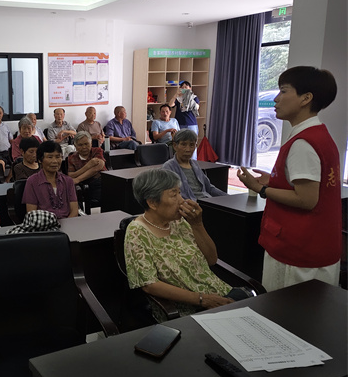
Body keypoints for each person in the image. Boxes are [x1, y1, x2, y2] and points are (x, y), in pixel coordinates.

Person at [237, 66, 341, 292]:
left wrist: (260, 189)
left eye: (283, 91)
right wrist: (275, 180)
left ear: (306, 98)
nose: (276, 99)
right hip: (316, 245)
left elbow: (307, 199)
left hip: (299, 251)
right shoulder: (319, 135)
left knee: (284, 310)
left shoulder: (304, 143)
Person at [125, 168, 252, 322]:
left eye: (180, 193)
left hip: (219, 293)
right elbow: (150, 285)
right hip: (188, 309)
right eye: (174, 195)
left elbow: (212, 259)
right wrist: (203, 299)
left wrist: (197, 224)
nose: (182, 200)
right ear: (152, 203)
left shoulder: (178, 222)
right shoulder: (137, 232)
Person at [162, 129, 226, 201]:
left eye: (191, 145)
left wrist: (227, 197)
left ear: (196, 146)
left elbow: (209, 187)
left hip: (206, 201)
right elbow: (169, 196)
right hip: (188, 204)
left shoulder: (195, 164)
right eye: (183, 144)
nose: (188, 149)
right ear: (175, 146)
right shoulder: (168, 167)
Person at [23, 141, 78, 219]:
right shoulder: (32, 182)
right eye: (50, 157)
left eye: (58, 157)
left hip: (68, 222)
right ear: (40, 160)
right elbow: (32, 213)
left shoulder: (68, 181)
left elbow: (74, 211)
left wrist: (67, 224)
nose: (55, 161)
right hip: (44, 224)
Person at [67, 131, 106, 207]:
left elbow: (99, 166)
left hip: (100, 181)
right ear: (75, 146)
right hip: (84, 184)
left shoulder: (97, 151)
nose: (84, 147)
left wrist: (78, 179)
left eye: (86, 144)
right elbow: (70, 175)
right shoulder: (71, 158)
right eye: (80, 145)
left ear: (91, 143)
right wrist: (89, 165)